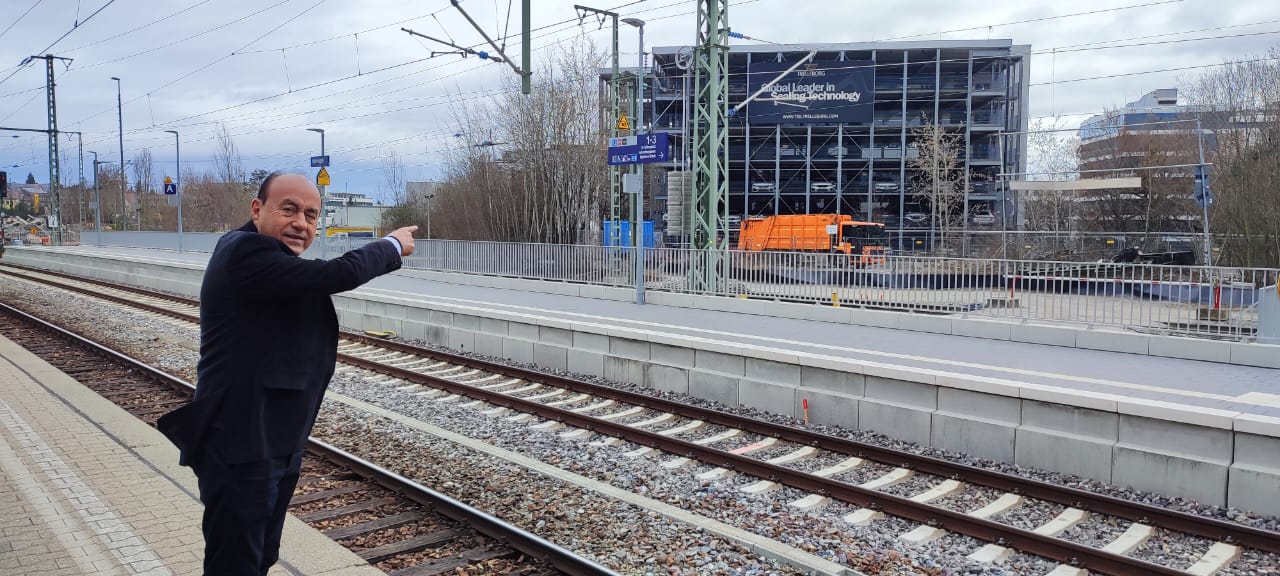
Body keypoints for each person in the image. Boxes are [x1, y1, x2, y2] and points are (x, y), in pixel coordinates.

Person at [157, 172, 417, 575]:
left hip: (274, 437)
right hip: (241, 442)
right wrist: (391, 245)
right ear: (258, 210)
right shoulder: (244, 252)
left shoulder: (268, 259)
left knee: (259, 555)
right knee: (235, 563)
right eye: (290, 210)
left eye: (312, 215)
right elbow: (337, 274)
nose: (301, 224)